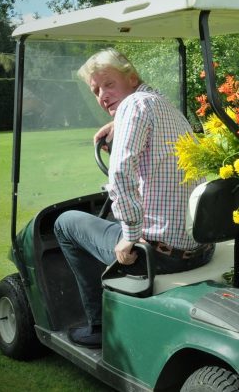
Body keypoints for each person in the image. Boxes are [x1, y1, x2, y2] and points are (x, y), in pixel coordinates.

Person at [54, 48, 213, 348]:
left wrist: (129, 235)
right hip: (200, 248)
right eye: (96, 90)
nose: (102, 95)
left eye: (108, 84)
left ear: (131, 79)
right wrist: (118, 123)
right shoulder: (161, 104)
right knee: (118, 215)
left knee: (66, 223)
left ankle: (100, 324)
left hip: (158, 257)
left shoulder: (133, 108)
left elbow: (120, 174)